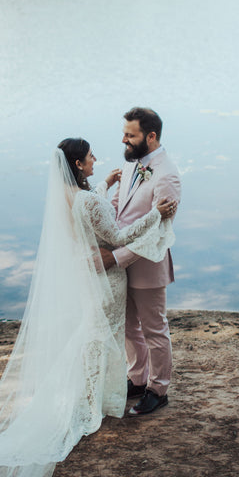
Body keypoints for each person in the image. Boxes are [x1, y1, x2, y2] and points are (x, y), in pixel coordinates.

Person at [0, 138, 176, 477]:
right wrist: (157, 213)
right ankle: (91, 404)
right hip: (106, 281)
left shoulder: (63, 197)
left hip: (86, 280)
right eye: (90, 157)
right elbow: (118, 236)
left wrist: (104, 184)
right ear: (77, 161)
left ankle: (92, 397)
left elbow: (87, 212)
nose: (95, 160)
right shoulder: (87, 200)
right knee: (98, 338)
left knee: (92, 336)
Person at [100, 107, 182, 416]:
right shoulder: (133, 163)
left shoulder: (167, 175)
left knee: (153, 329)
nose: (124, 139)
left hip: (147, 265)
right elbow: (119, 208)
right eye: (124, 133)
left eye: (130, 135)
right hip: (122, 264)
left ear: (151, 136)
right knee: (127, 327)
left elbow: (158, 234)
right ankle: (138, 378)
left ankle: (158, 389)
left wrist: (114, 258)